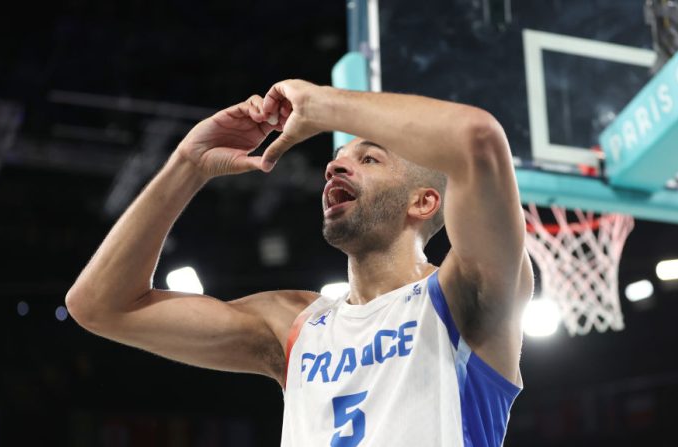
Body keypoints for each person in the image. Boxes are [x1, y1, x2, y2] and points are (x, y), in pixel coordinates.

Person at [66, 79, 534, 446]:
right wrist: (188, 165)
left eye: (369, 158)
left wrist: (325, 104)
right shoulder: (294, 325)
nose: (334, 166)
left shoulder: (463, 297)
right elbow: (101, 305)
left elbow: (478, 139)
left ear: (424, 201)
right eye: (336, 158)